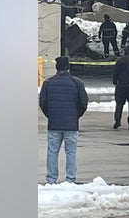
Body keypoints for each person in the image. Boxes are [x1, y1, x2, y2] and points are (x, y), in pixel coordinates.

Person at [39, 56, 89, 184]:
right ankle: (70, 178)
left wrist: (51, 115)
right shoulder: (77, 83)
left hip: (54, 123)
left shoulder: (48, 83)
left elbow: (43, 102)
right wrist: (76, 115)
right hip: (71, 125)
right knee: (71, 152)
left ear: (56, 67)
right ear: (68, 67)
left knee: (52, 151)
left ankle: (51, 179)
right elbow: (83, 102)